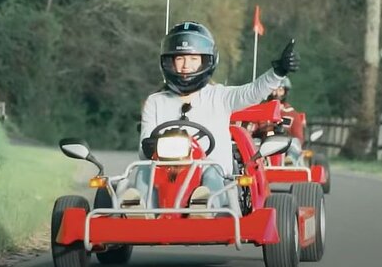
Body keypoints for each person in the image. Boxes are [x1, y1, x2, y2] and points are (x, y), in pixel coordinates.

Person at [123, 21, 299, 212]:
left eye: (193, 59)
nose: (185, 66)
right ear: (169, 62)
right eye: (180, 59)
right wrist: (150, 146)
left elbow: (253, 92)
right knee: (142, 171)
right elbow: (143, 152)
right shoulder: (155, 102)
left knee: (211, 171)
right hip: (166, 175)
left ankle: (204, 206)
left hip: (214, 173)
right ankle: (139, 210)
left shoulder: (220, 96)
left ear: (205, 61)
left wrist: (278, 72)